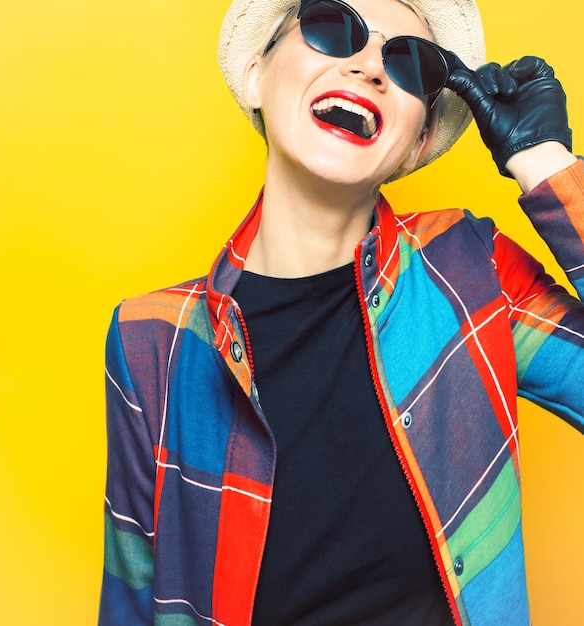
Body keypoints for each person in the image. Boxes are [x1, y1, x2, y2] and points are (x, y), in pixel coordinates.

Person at [98, 0, 584, 624]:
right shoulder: (150, 341)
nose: (369, 68)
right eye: (334, 28)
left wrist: (544, 163)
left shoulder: (471, 269)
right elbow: (134, 595)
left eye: (410, 62)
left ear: (420, 142)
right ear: (254, 76)